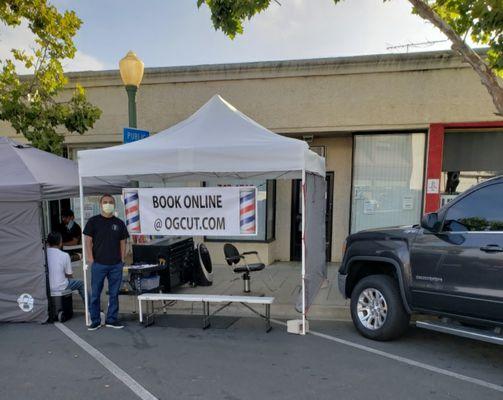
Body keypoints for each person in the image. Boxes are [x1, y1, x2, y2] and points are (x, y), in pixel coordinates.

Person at [84, 194, 129, 331]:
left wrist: (122, 259)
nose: (107, 204)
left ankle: (112, 319)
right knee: (96, 293)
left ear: (114, 205)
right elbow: (87, 241)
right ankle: (95, 320)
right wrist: (91, 259)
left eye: (110, 202)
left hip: (115, 264)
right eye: (105, 202)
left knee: (114, 294)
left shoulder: (119, 223)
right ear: (100, 204)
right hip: (99, 264)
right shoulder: (93, 221)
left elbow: (123, 242)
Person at [46, 231, 86, 303]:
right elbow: (69, 274)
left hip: (46, 286)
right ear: (60, 243)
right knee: (81, 284)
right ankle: (90, 309)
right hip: (61, 286)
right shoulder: (64, 255)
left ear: (48, 243)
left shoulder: (43, 254)